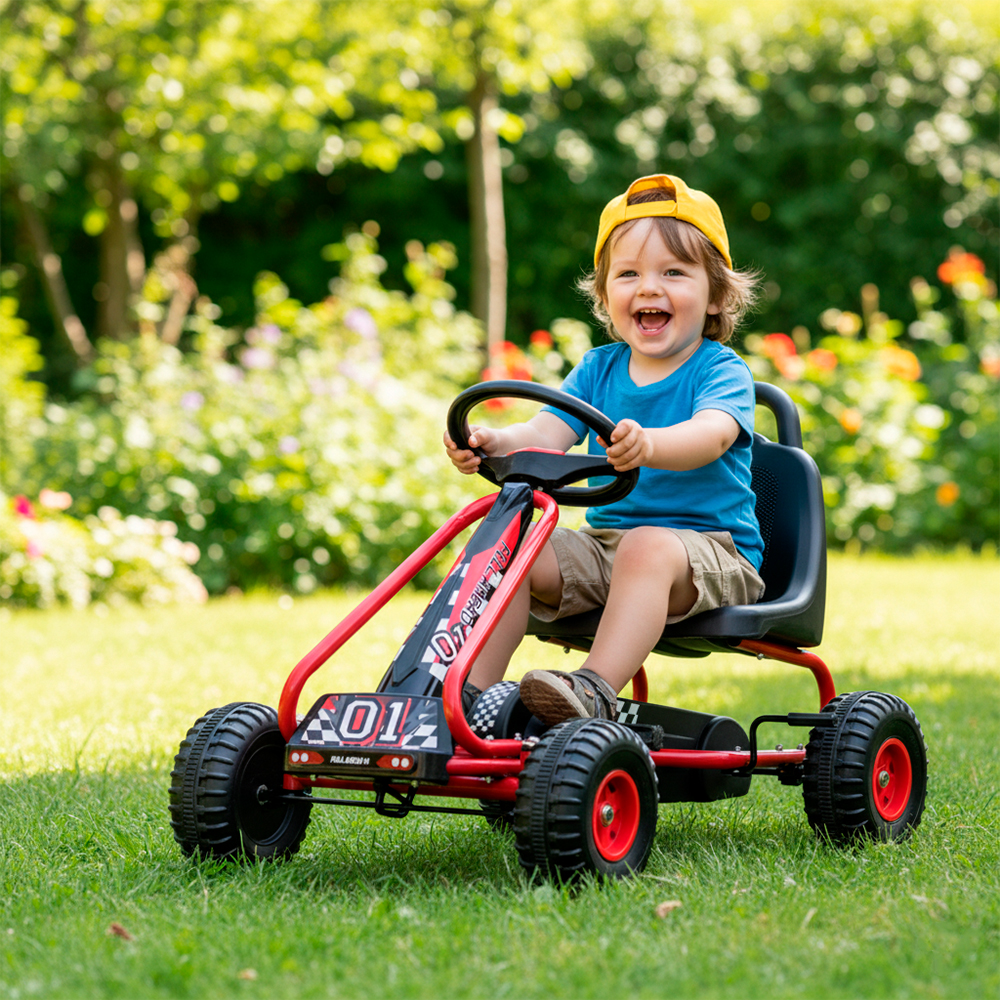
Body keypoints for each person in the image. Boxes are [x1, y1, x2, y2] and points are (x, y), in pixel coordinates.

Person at [444, 173, 765, 725]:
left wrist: (650, 444)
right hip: (608, 549)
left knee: (647, 546)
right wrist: (495, 441)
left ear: (715, 296)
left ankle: (591, 689)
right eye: (629, 274)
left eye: (673, 272)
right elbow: (545, 435)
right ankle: (465, 700)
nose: (648, 287)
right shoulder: (598, 369)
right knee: (510, 543)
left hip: (711, 553)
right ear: (605, 295)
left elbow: (711, 435)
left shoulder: (721, 370)